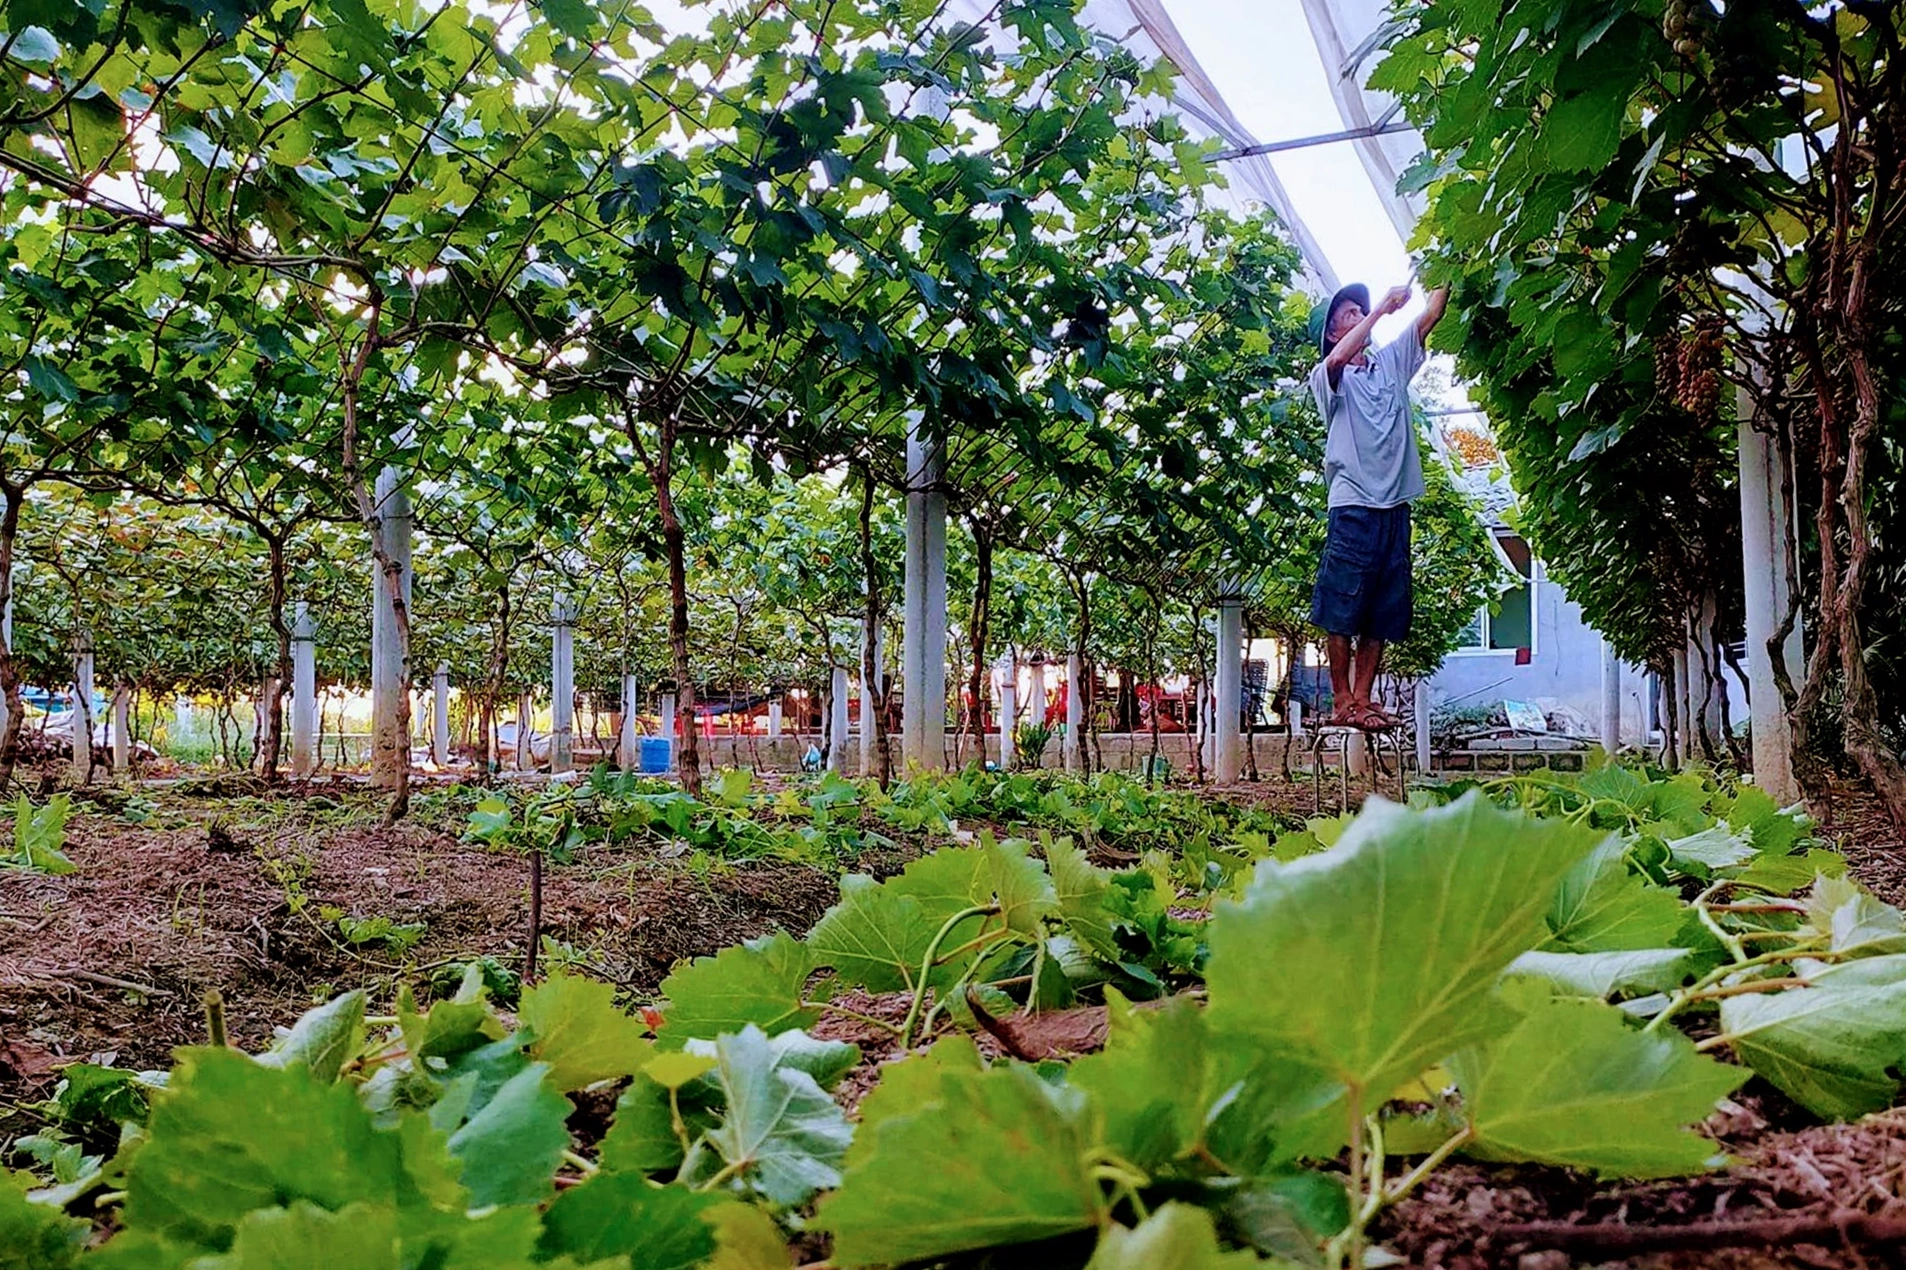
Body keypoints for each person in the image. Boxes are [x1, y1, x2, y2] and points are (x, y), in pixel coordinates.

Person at [1308, 279, 1449, 729]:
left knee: (1382, 607)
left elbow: (1430, 316)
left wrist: (1445, 268)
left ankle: (1363, 698)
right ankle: (1342, 700)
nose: (1359, 317)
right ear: (1334, 332)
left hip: (1395, 504)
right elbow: (1336, 359)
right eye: (1349, 315)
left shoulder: (1389, 363)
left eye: (1360, 311)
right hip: (1353, 503)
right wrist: (1380, 310)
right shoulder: (1328, 377)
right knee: (1341, 603)